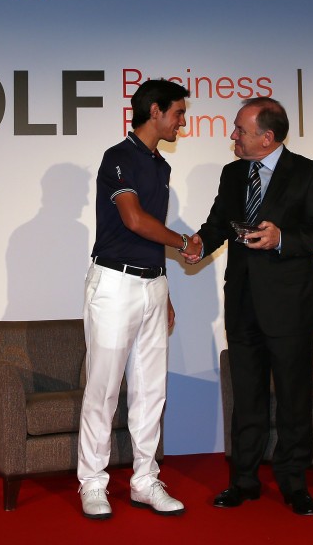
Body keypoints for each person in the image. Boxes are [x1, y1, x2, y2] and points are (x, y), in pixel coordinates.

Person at [183, 97, 313, 516]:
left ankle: (293, 483)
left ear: (267, 137)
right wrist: (198, 244)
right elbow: (218, 223)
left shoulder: (309, 173)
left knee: (292, 399)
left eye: (240, 129)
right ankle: (243, 481)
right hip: (242, 303)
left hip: (290, 306)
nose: (232, 136)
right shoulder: (233, 174)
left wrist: (282, 239)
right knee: (247, 397)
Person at [78, 79, 198, 520]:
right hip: (113, 284)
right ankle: (92, 482)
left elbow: (151, 234)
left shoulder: (162, 167)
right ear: (155, 111)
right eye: (178, 114)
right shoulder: (118, 157)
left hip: (152, 285)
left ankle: (145, 481)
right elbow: (132, 219)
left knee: (151, 391)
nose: (182, 122)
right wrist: (185, 241)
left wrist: (162, 288)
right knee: (104, 389)